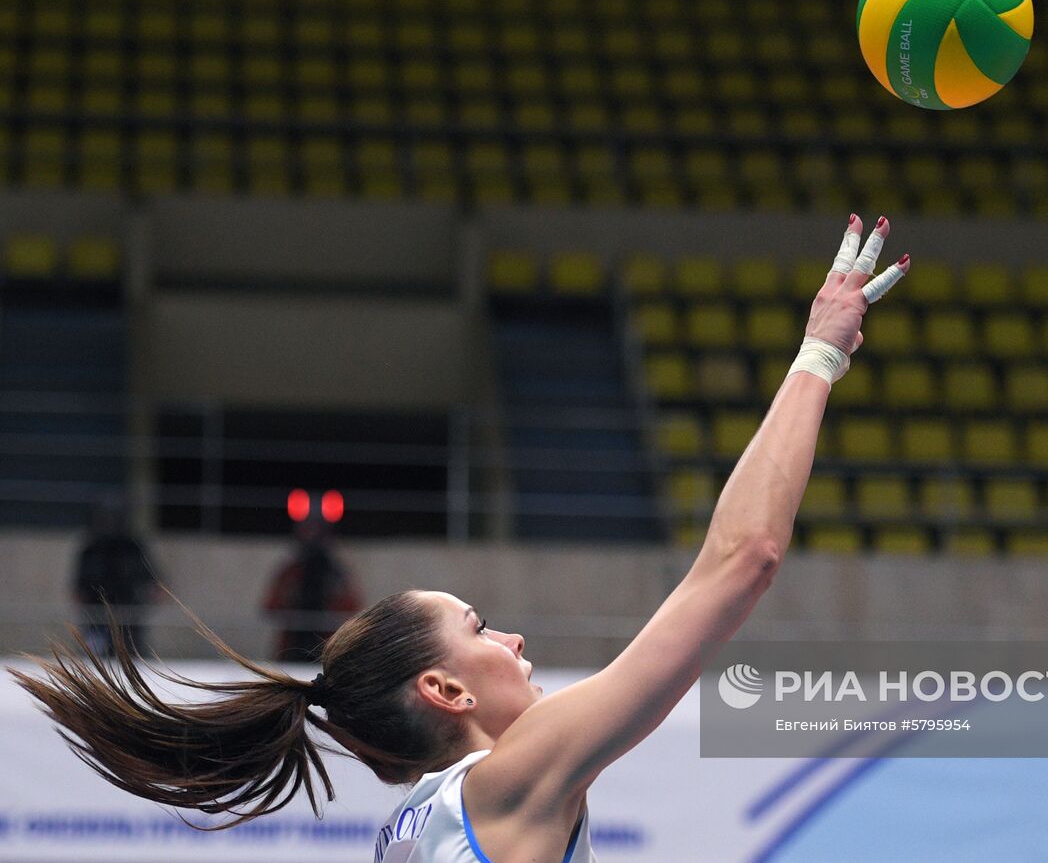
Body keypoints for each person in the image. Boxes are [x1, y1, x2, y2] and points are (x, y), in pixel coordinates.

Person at [10, 215, 910, 862]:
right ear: (441, 687)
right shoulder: (512, 777)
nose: (514, 640)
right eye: (479, 627)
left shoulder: (406, 833)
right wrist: (818, 353)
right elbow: (740, 561)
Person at [263, 515, 363, 662]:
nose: (313, 539)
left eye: (318, 533)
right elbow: (271, 606)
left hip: (325, 648)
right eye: (307, 533)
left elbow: (352, 608)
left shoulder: (336, 574)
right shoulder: (291, 572)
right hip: (292, 648)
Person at [71, 493, 160, 657]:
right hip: (97, 611)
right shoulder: (92, 547)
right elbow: (79, 582)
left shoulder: (132, 546)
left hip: (127, 610)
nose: (109, 521)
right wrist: (79, 594)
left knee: (129, 653)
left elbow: (152, 576)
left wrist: (154, 589)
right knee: (96, 654)